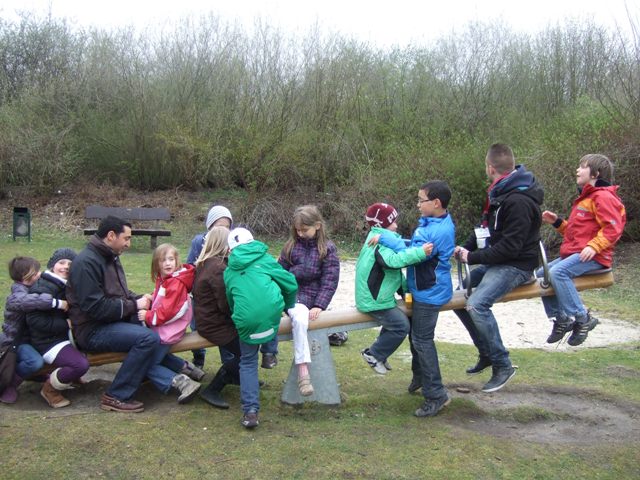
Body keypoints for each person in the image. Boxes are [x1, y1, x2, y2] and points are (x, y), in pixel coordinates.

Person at [67, 216, 200, 413]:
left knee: (151, 332)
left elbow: (119, 293)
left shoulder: (109, 256)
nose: (129, 244)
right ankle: (116, 395)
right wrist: (133, 305)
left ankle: (175, 370)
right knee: (147, 339)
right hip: (92, 330)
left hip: (110, 321)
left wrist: (140, 299)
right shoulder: (87, 263)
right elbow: (95, 308)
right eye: (126, 238)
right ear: (111, 236)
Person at [454, 144, 543, 393]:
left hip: (517, 266)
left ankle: (503, 365)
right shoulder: (500, 193)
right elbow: (486, 230)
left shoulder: (517, 200)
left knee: (476, 303)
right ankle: (487, 353)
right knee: (459, 296)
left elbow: (510, 248)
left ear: (490, 168)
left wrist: (472, 257)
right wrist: (465, 246)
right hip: (499, 262)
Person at [375, 182, 456, 417]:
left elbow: (410, 256)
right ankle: (420, 378)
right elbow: (414, 246)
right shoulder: (434, 222)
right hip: (424, 289)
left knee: (422, 340)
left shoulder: (437, 231)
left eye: (421, 200)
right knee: (416, 336)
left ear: (436, 203)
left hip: (429, 293)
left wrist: (383, 238)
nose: (418, 204)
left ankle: (436, 395)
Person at [539, 154, 626, 346]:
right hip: (579, 252)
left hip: (596, 256)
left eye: (583, 167)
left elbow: (613, 228)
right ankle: (561, 319)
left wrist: (594, 246)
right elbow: (577, 234)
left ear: (596, 173)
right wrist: (558, 223)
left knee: (557, 272)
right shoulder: (586, 199)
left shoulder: (603, 197)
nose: (577, 170)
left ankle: (582, 317)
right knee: (541, 273)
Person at [224, 227, 298, 429]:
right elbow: (290, 284)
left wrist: (237, 315)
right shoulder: (265, 260)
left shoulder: (229, 271)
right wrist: (289, 305)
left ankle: (250, 412)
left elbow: (231, 299)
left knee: (247, 362)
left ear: (230, 250)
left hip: (245, 319)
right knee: (271, 310)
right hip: (271, 315)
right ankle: (269, 352)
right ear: (253, 242)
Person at [356, 202, 432, 377]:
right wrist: (420, 252)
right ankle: (373, 354)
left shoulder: (377, 237)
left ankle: (380, 354)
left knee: (395, 323)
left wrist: (405, 290)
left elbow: (393, 274)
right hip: (375, 300)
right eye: (392, 222)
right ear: (382, 225)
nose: (396, 225)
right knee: (400, 326)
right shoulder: (380, 244)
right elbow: (395, 262)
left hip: (378, 296)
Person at [277, 205, 340, 396]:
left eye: (305, 230)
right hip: (292, 298)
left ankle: (303, 372)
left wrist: (320, 305)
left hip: (312, 299)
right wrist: (281, 300)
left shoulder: (327, 249)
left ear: (318, 226)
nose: (301, 233)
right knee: (298, 318)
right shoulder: (290, 247)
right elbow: (279, 274)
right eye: (298, 230)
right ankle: (293, 366)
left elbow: (329, 280)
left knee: (301, 319)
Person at [26, 248, 90, 408]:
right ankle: (50, 389)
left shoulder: (64, 285)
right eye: (61, 263)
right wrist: (66, 324)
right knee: (80, 365)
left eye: (70, 264)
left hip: (63, 337)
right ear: (52, 265)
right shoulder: (45, 288)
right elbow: (34, 320)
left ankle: (69, 377)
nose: (66, 267)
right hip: (47, 342)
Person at [1, 257, 64, 404]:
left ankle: (34, 375)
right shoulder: (17, 295)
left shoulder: (32, 288)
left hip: (33, 338)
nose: (39, 274)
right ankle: (11, 383)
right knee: (34, 362)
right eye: (36, 272)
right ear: (26, 275)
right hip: (16, 341)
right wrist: (56, 303)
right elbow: (28, 301)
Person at [137, 243, 204, 380]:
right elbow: (164, 297)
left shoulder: (175, 283)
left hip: (168, 332)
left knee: (146, 364)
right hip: (167, 328)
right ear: (157, 264)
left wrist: (148, 315)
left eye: (171, 259)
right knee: (154, 354)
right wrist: (152, 296)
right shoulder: (166, 279)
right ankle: (188, 369)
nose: (168, 263)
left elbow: (168, 312)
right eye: (163, 260)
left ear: (176, 261)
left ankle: (181, 383)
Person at [192, 226, 242, 409]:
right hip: (215, 325)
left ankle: (240, 376)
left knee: (246, 347)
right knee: (246, 352)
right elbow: (225, 303)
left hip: (207, 320)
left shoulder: (205, 262)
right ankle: (212, 389)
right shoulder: (218, 268)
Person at [186, 205, 234, 370]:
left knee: (224, 329)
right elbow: (190, 266)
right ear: (210, 225)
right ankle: (198, 361)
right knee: (196, 328)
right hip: (201, 296)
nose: (224, 230)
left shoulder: (229, 246)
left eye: (227, 226)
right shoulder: (199, 241)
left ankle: (229, 366)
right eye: (220, 225)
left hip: (217, 299)